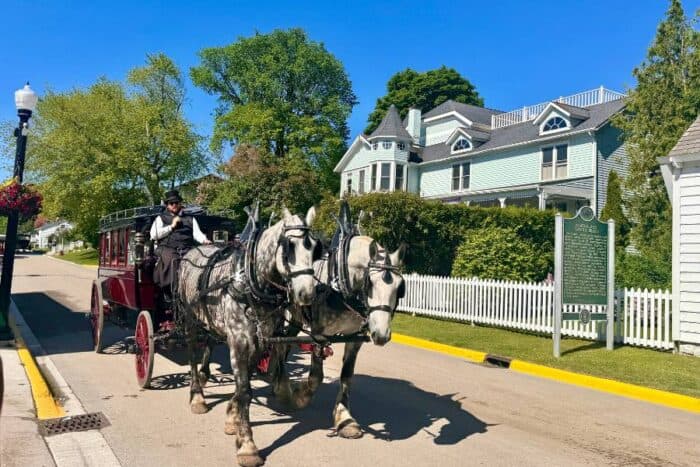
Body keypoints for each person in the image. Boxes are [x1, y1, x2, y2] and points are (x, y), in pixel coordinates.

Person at [150, 190, 210, 303]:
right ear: (167, 205)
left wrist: (204, 240)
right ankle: (170, 291)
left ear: (180, 203)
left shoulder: (190, 219)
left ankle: (198, 289)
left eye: (176, 202)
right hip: (167, 248)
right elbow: (154, 235)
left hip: (187, 247)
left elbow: (197, 234)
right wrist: (171, 227)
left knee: (201, 259)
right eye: (171, 203)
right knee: (173, 260)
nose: (174, 205)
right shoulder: (161, 218)